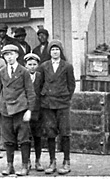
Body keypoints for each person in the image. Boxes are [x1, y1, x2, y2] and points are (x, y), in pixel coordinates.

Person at [0, 45, 36, 176]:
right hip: (5, 110)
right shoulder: (1, 72)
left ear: (17, 55)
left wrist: (29, 110)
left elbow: (30, 92)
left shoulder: (24, 71)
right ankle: (9, 165)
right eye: (6, 55)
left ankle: (24, 166)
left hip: (20, 110)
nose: (9, 57)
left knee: (23, 139)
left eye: (11, 54)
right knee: (8, 139)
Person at [37, 40, 75, 175]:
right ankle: (52, 161)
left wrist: (65, 97)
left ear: (61, 51)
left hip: (62, 104)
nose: (55, 52)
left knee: (65, 133)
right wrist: (44, 97)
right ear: (49, 52)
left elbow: (71, 85)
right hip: (48, 104)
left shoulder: (67, 66)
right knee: (50, 133)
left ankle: (66, 161)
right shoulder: (43, 66)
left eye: (57, 49)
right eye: (52, 50)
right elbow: (39, 84)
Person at [23, 53, 44, 172]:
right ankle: (27, 161)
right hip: (25, 110)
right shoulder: (23, 76)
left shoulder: (40, 76)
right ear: (25, 65)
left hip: (38, 111)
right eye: (29, 64)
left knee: (38, 136)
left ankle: (38, 160)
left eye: (34, 64)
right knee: (26, 136)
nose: (32, 67)